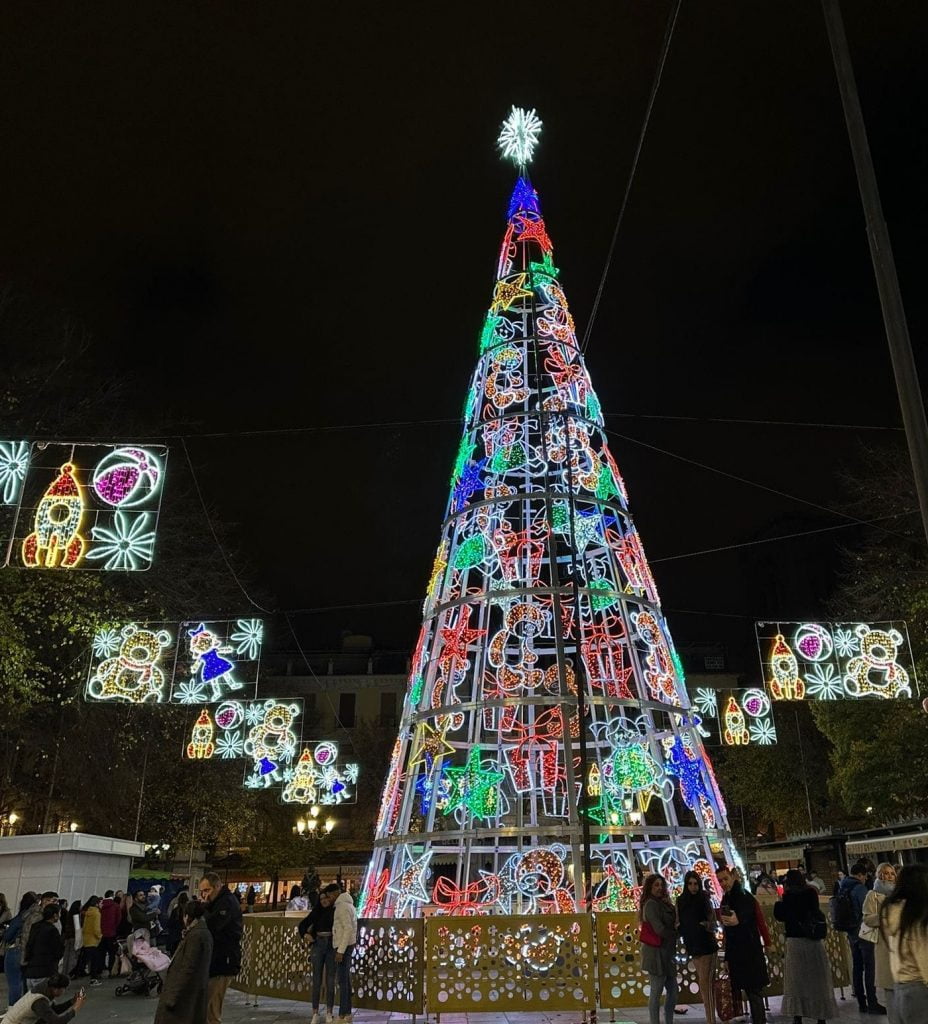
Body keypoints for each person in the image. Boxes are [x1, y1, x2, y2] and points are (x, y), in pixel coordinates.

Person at [774, 868, 838, 1024]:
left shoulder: (788, 897)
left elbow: (781, 916)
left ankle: (798, 1016)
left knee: (797, 982)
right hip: (813, 941)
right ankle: (820, 1016)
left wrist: (781, 900)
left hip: (795, 942)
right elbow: (815, 912)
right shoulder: (811, 893)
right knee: (817, 980)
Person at [717, 865, 768, 1024]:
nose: (723, 883)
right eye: (720, 881)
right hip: (739, 952)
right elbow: (728, 929)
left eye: (725, 879)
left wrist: (737, 920)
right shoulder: (728, 897)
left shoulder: (744, 896)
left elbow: (751, 919)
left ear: (732, 877)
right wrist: (726, 956)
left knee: (753, 991)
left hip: (749, 950)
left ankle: (759, 1020)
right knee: (751, 991)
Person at [881, 863, 928, 1024]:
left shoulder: (892, 910)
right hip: (920, 987)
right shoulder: (916, 916)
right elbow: (923, 956)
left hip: (902, 987)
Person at [154, 901, 212, 1024]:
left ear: (187, 916)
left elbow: (188, 967)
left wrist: (172, 997)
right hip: (190, 995)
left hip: (185, 997)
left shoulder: (197, 935)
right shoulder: (198, 932)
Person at [838, 860, 885, 1013]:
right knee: (870, 967)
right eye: (864, 877)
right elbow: (867, 911)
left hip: (851, 933)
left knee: (857, 967)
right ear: (860, 875)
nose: (865, 879)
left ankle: (861, 1002)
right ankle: (872, 1002)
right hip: (864, 932)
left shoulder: (842, 886)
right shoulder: (859, 888)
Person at [200, 871, 243, 1024]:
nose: (204, 895)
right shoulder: (217, 903)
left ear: (217, 886)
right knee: (207, 1007)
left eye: (207, 890)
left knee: (212, 1008)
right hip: (216, 960)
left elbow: (215, 925)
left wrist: (204, 909)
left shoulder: (227, 903)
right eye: (202, 891)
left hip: (224, 961)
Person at [676, 871, 718, 1024]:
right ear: (686, 885)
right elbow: (678, 922)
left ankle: (711, 1019)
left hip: (706, 945)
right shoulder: (681, 901)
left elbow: (713, 923)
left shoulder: (704, 900)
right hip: (693, 946)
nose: (693, 887)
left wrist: (704, 926)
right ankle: (710, 1018)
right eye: (690, 884)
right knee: (703, 982)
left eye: (695, 884)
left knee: (706, 983)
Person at [637, 874, 677, 1024]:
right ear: (650, 887)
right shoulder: (651, 905)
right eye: (656, 885)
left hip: (667, 953)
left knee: (673, 991)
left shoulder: (664, 903)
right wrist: (676, 933)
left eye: (661, 885)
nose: (660, 888)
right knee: (657, 990)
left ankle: (669, 1021)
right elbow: (659, 929)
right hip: (655, 954)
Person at [298, 884, 339, 1024]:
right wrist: (306, 935)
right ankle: (315, 1012)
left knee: (330, 980)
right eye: (321, 899)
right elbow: (302, 925)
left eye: (326, 898)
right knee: (316, 979)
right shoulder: (316, 912)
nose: (324, 901)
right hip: (318, 945)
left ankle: (329, 1011)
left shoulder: (335, 911)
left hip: (331, 946)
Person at [863, 863, 897, 1023]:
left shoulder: (899, 893)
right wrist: (884, 918)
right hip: (883, 942)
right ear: (879, 875)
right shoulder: (873, 894)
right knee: (890, 987)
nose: (889, 876)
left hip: (899, 941)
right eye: (885, 873)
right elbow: (867, 918)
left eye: (892, 873)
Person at [2, 972, 85, 1024]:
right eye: (64, 989)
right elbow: (56, 1022)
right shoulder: (39, 1001)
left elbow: (52, 1011)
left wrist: (71, 1002)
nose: (64, 991)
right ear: (56, 989)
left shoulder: (44, 989)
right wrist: (76, 1008)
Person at [5, 893, 39, 1006]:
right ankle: (25, 1008)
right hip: (31, 952)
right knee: (26, 983)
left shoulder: (20, 918)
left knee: (14, 982)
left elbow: (8, 936)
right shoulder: (38, 917)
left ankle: (13, 1009)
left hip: (16, 950)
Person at [23, 905, 64, 993]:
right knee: (42, 1000)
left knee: (31, 1000)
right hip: (44, 970)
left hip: (31, 970)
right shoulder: (52, 930)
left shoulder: (35, 926)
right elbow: (58, 951)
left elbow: (29, 945)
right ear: (55, 915)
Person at [333, 886, 357, 1024]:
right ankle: (347, 1012)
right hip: (349, 944)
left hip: (344, 946)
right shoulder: (349, 906)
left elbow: (347, 928)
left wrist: (340, 950)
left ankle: (342, 1014)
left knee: (343, 980)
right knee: (345, 980)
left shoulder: (341, 907)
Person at [79, 897, 102, 986]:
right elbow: (96, 928)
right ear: (97, 904)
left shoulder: (87, 912)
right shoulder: (96, 913)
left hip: (86, 939)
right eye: (100, 903)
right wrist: (100, 936)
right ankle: (94, 979)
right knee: (94, 961)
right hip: (94, 940)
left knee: (86, 959)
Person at [98, 891, 120, 975]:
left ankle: (99, 969)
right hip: (111, 933)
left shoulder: (99, 905)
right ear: (112, 896)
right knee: (112, 953)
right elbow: (118, 919)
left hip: (100, 933)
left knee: (101, 952)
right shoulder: (115, 906)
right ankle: (111, 970)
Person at [60, 902, 82, 978]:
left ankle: (64, 972)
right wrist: (79, 941)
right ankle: (70, 972)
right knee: (73, 956)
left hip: (67, 937)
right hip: (74, 937)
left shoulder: (69, 915)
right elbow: (77, 929)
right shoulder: (76, 916)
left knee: (66, 956)